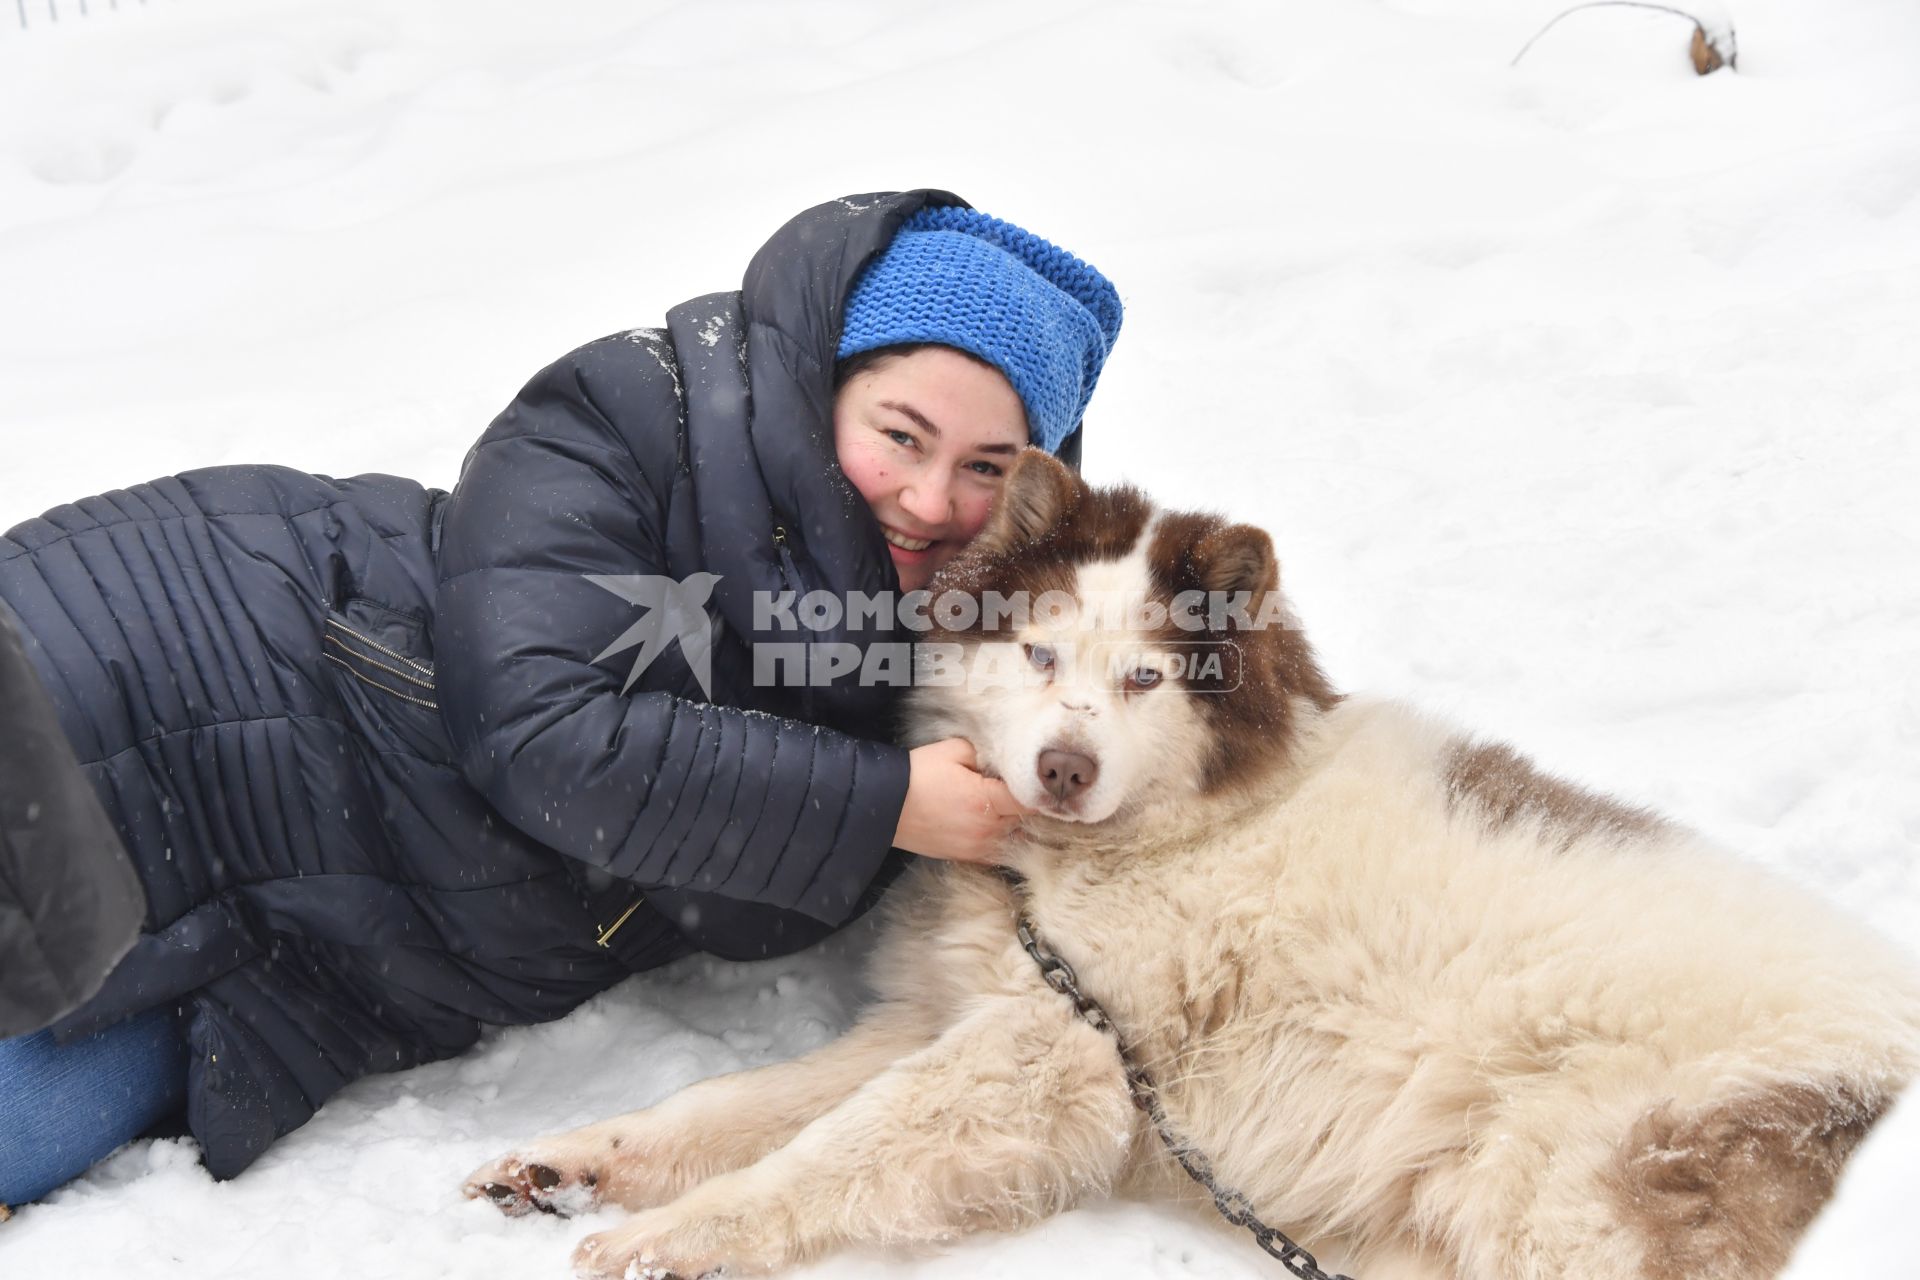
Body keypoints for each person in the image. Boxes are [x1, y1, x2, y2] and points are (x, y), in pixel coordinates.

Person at [0, 189, 1123, 1214]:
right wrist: (880, 803)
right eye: (899, 434)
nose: (930, 498)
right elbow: (541, 735)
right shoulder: (633, 420)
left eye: (988, 466)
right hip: (209, 666)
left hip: (304, 946)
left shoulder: (991, 652)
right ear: (828, 379)